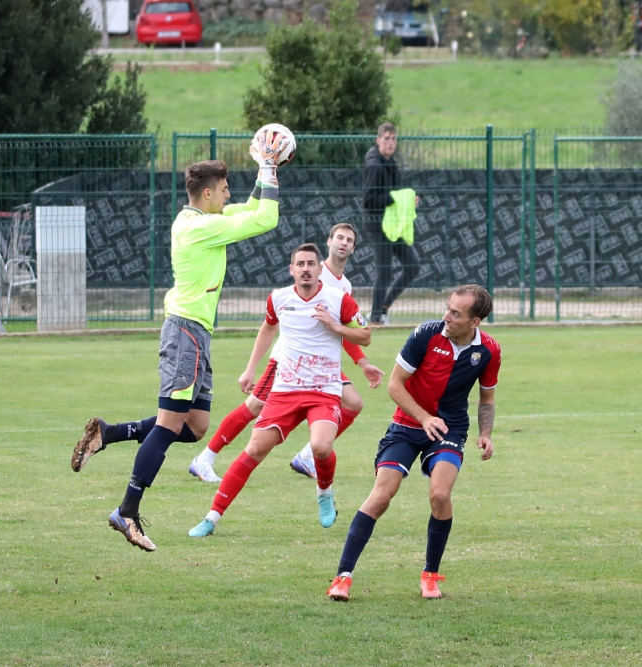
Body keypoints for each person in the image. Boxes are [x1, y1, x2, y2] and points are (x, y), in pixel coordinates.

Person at [70, 132, 291, 552]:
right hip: (185, 331)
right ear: (207, 194)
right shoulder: (200, 228)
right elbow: (266, 218)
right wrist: (266, 164)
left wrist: (270, 168)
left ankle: (108, 433)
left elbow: (253, 208)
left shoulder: (202, 220)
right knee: (171, 422)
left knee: (194, 428)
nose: (229, 196)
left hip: (196, 333)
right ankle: (127, 511)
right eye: (224, 190)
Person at [326, 284, 500, 602]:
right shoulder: (426, 335)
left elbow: (486, 398)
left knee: (440, 495)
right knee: (381, 497)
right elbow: (394, 385)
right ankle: (342, 577)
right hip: (406, 425)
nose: (446, 316)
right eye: (447, 307)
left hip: (449, 429)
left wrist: (485, 433)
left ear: (475, 322)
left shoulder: (488, 351)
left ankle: (430, 576)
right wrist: (423, 418)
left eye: (456, 313)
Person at [188, 243, 371, 537]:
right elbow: (268, 328)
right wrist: (250, 368)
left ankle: (324, 493)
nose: (306, 269)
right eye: (300, 264)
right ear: (292, 269)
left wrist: (336, 327)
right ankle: (211, 518)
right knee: (255, 448)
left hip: (323, 390)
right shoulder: (278, 298)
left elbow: (365, 335)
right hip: (285, 391)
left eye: (311, 263)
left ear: (320, 268)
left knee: (322, 446)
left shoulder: (339, 300)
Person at [363, 122, 420, 325]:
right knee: (385, 272)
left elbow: (397, 192)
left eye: (393, 138)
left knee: (413, 265)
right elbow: (368, 200)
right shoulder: (374, 165)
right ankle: (376, 317)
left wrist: (407, 199)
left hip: (394, 225)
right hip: (378, 226)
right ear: (378, 140)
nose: (390, 143)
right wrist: (396, 197)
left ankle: (383, 309)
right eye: (386, 138)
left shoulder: (391, 162)